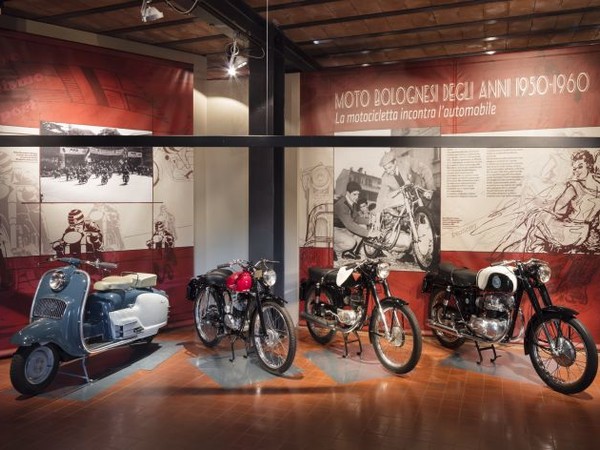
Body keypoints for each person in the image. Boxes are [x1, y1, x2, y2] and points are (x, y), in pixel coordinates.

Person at [522, 149, 600, 253]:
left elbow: (558, 210)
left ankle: (536, 249)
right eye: (574, 169)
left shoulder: (574, 186)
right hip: (584, 232)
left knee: (537, 216)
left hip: (569, 231)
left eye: (580, 166)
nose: (577, 171)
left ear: (589, 166)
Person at [333, 180, 370, 260]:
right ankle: (333, 249)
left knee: (363, 226)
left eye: (358, 194)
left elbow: (356, 218)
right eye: (354, 194)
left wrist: (369, 221)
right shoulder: (341, 205)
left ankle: (348, 252)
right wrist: (368, 233)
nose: (357, 197)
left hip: (344, 229)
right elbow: (350, 224)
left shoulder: (352, 202)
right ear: (347, 193)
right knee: (351, 243)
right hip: (334, 230)